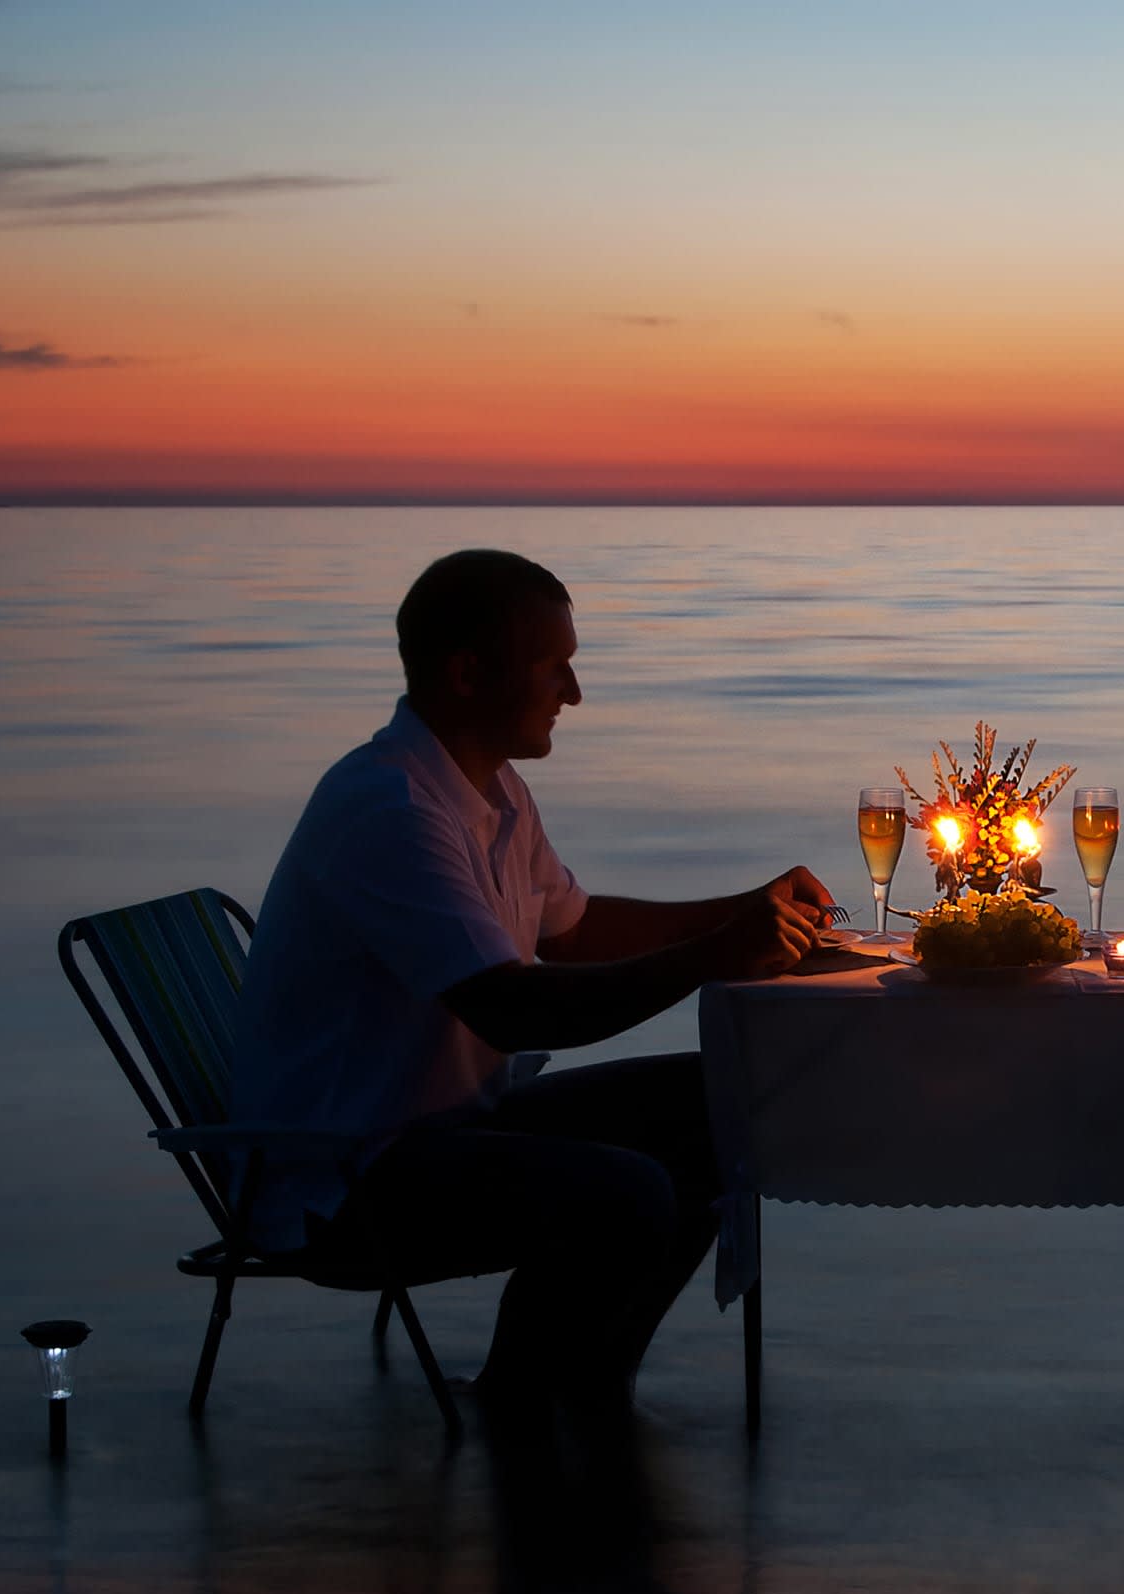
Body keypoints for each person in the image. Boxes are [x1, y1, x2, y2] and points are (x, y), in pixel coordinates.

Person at [229, 548, 834, 1424]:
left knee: (719, 1101)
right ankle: (524, 1402)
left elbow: (575, 931)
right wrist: (715, 955)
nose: (574, 692)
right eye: (555, 667)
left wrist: (744, 910)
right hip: (348, 1176)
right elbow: (513, 1006)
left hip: (445, 1123)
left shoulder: (491, 790)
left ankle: (584, 1383)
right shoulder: (390, 812)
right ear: (469, 673)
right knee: (625, 1192)